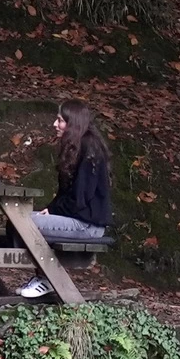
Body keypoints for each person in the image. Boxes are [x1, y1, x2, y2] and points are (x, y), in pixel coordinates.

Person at [14, 101, 113, 299]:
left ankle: (47, 280)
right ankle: (44, 277)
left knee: (25, 223)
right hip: (75, 217)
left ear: (73, 123)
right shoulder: (75, 147)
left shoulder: (89, 149)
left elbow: (79, 199)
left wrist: (54, 210)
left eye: (60, 120)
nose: (54, 124)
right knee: (19, 218)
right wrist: (50, 209)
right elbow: (66, 193)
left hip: (87, 224)